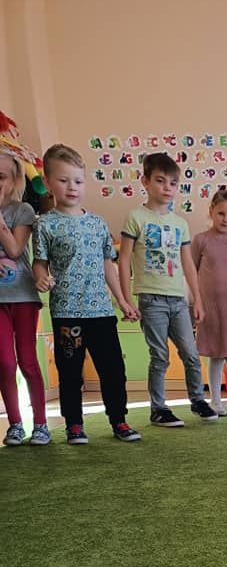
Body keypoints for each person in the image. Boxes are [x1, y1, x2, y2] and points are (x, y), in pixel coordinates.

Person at [32, 143, 140, 444]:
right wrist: (40, 277)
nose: (72, 187)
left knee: (113, 369)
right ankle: (74, 425)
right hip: (67, 313)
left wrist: (122, 300)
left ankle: (119, 420)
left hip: (101, 312)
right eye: (64, 180)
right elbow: (39, 262)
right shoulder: (45, 225)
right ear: (49, 183)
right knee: (70, 372)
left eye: (78, 181)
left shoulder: (97, 223)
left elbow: (108, 266)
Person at [118, 152, 217, 427]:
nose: (167, 188)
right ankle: (158, 408)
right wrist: (126, 299)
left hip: (177, 301)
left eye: (172, 183)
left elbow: (188, 264)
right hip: (151, 300)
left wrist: (197, 299)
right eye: (160, 181)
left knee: (191, 353)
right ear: (145, 182)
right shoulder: (136, 217)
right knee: (159, 355)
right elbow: (124, 260)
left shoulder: (180, 224)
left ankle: (198, 400)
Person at [0, 147, 50, 446]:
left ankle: (41, 424)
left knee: (28, 361)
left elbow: (15, 249)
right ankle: (15, 424)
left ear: (14, 180)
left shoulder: (23, 211)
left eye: (1, 177)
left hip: (22, 296)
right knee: (5, 364)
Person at [191, 185, 227, 416]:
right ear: (211, 211)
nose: (226, 219)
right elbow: (191, 271)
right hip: (210, 309)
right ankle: (215, 400)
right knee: (215, 355)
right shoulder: (200, 240)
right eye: (221, 214)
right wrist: (196, 301)